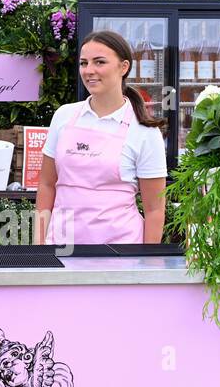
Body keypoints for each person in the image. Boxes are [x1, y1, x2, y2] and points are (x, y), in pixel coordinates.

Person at [35, 30, 167, 245]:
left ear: (123, 67)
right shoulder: (64, 116)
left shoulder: (144, 131)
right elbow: (47, 184)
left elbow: (154, 210)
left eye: (99, 62)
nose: (89, 71)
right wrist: (39, 245)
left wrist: (147, 263)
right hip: (61, 248)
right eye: (83, 63)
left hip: (120, 253)